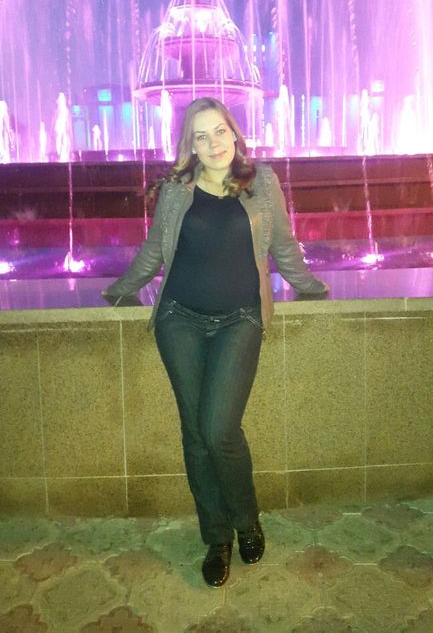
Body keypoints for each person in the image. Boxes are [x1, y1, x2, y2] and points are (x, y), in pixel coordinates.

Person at [102, 96, 328, 587]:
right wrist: (119, 289)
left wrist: (310, 286)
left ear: (234, 133)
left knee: (219, 429)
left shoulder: (262, 183)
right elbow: (155, 250)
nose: (213, 143)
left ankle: (248, 520)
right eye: (200, 136)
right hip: (179, 319)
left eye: (219, 131)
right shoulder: (176, 191)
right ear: (191, 145)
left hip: (239, 318)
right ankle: (217, 536)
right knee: (195, 432)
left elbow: (283, 245)